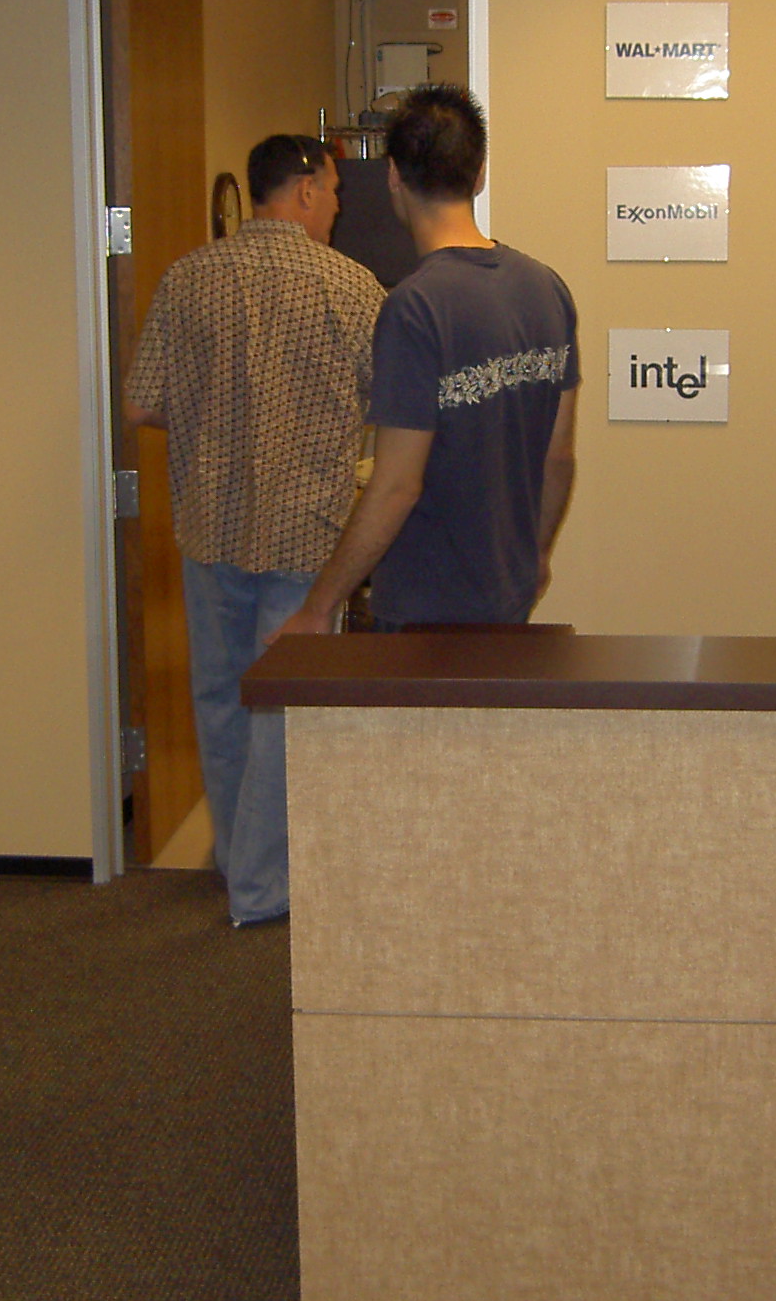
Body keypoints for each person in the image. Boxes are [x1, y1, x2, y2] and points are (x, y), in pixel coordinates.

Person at [124, 133, 381, 925]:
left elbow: (140, 403)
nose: (337, 206)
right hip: (308, 534)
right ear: (302, 191)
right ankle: (263, 885)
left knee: (221, 694)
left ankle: (239, 859)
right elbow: (390, 402)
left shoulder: (187, 277)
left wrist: (211, 424)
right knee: (283, 703)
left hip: (211, 523)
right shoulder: (352, 286)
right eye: (333, 190)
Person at [276, 85, 579, 635]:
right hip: (507, 596)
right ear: (479, 173)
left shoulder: (414, 307)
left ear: (393, 175)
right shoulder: (547, 289)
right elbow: (557, 458)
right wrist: (536, 555)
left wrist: (318, 608)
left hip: (424, 610)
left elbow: (397, 485)